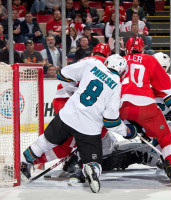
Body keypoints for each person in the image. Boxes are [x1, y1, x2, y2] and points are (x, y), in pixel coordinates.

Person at [20, 53, 130, 193]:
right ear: (122, 71)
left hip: (68, 115)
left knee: (43, 143)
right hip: (89, 128)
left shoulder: (93, 64)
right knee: (94, 160)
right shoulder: (116, 85)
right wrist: (126, 131)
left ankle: (23, 163)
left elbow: (62, 75)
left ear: (107, 62)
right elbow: (111, 120)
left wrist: (74, 89)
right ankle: (91, 168)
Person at [120, 37, 171, 184]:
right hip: (146, 107)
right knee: (166, 136)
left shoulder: (119, 60)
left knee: (95, 130)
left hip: (120, 108)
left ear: (125, 48)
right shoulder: (149, 60)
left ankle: (83, 163)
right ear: (143, 48)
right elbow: (167, 91)